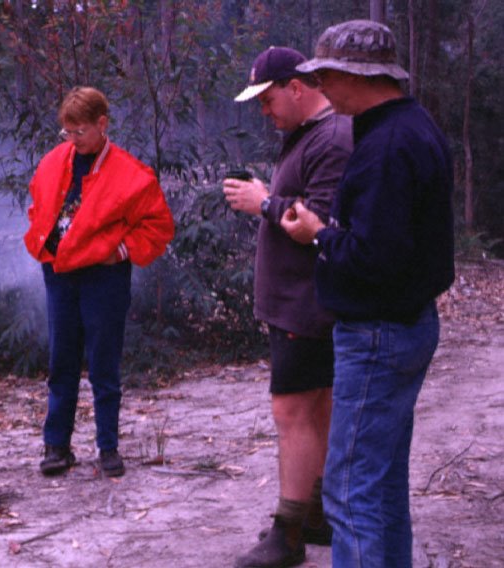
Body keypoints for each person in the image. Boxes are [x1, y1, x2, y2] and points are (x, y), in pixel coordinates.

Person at [281, 20, 455, 568]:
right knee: (380, 487)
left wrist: (318, 234)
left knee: (350, 492)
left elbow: (375, 260)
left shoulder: (386, 145)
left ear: (356, 75)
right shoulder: (412, 125)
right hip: (407, 324)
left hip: (378, 332)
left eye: (327, 76)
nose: (323, 89)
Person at [224, 47, 352, 568]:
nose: (264, 111)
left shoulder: (333, 138)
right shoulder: (309, 134)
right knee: (314, 408)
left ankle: (288, 532)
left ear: (296, 88)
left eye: (268, 98)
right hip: (303, 304)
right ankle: (316, 511)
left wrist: (264, 202)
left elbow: (318, 223)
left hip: (308, 304)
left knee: (292, 412)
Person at [24, 87, 174, 478]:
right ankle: (56, 446)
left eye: (80, 132)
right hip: (59, 273)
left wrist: (121, 252)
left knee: (104, 363)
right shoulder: (55, 161)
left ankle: (108, 447)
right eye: (67, 132)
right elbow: (38, 204)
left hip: (103, 278)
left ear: (102, 124)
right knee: (62, 360)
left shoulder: (132, 175)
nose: (72, 140)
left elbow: (158, 227)